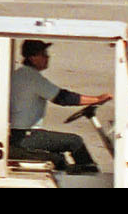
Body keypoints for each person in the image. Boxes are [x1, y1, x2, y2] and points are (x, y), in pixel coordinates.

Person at [9, 39, 111, 173]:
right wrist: (96, 99)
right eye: (44, 54)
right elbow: (62, 98)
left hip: (22, 134)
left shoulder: (22, 74)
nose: (47, 57)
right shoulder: (31, 78)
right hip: (27, 136)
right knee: (75, 142)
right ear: (33, 58)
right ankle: (90, 176)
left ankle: (79, 174)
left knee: (59, 156)